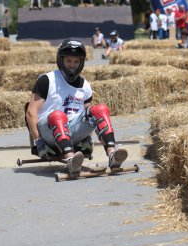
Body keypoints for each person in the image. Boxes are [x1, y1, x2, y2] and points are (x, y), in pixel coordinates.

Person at [26, 39, 128, 174]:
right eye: (68, 61)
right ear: (61, 60)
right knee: (58, 115)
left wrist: (86, 139)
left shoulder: (85, 85)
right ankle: (70, 160)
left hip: (72, 131)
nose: (72, 65)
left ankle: (112, 155)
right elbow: (30, 112)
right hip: (48, 132)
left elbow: (88, 114)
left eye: (76, 61)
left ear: (81, 63)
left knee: (100, 109)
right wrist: (38, 142)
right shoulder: (47, 80)